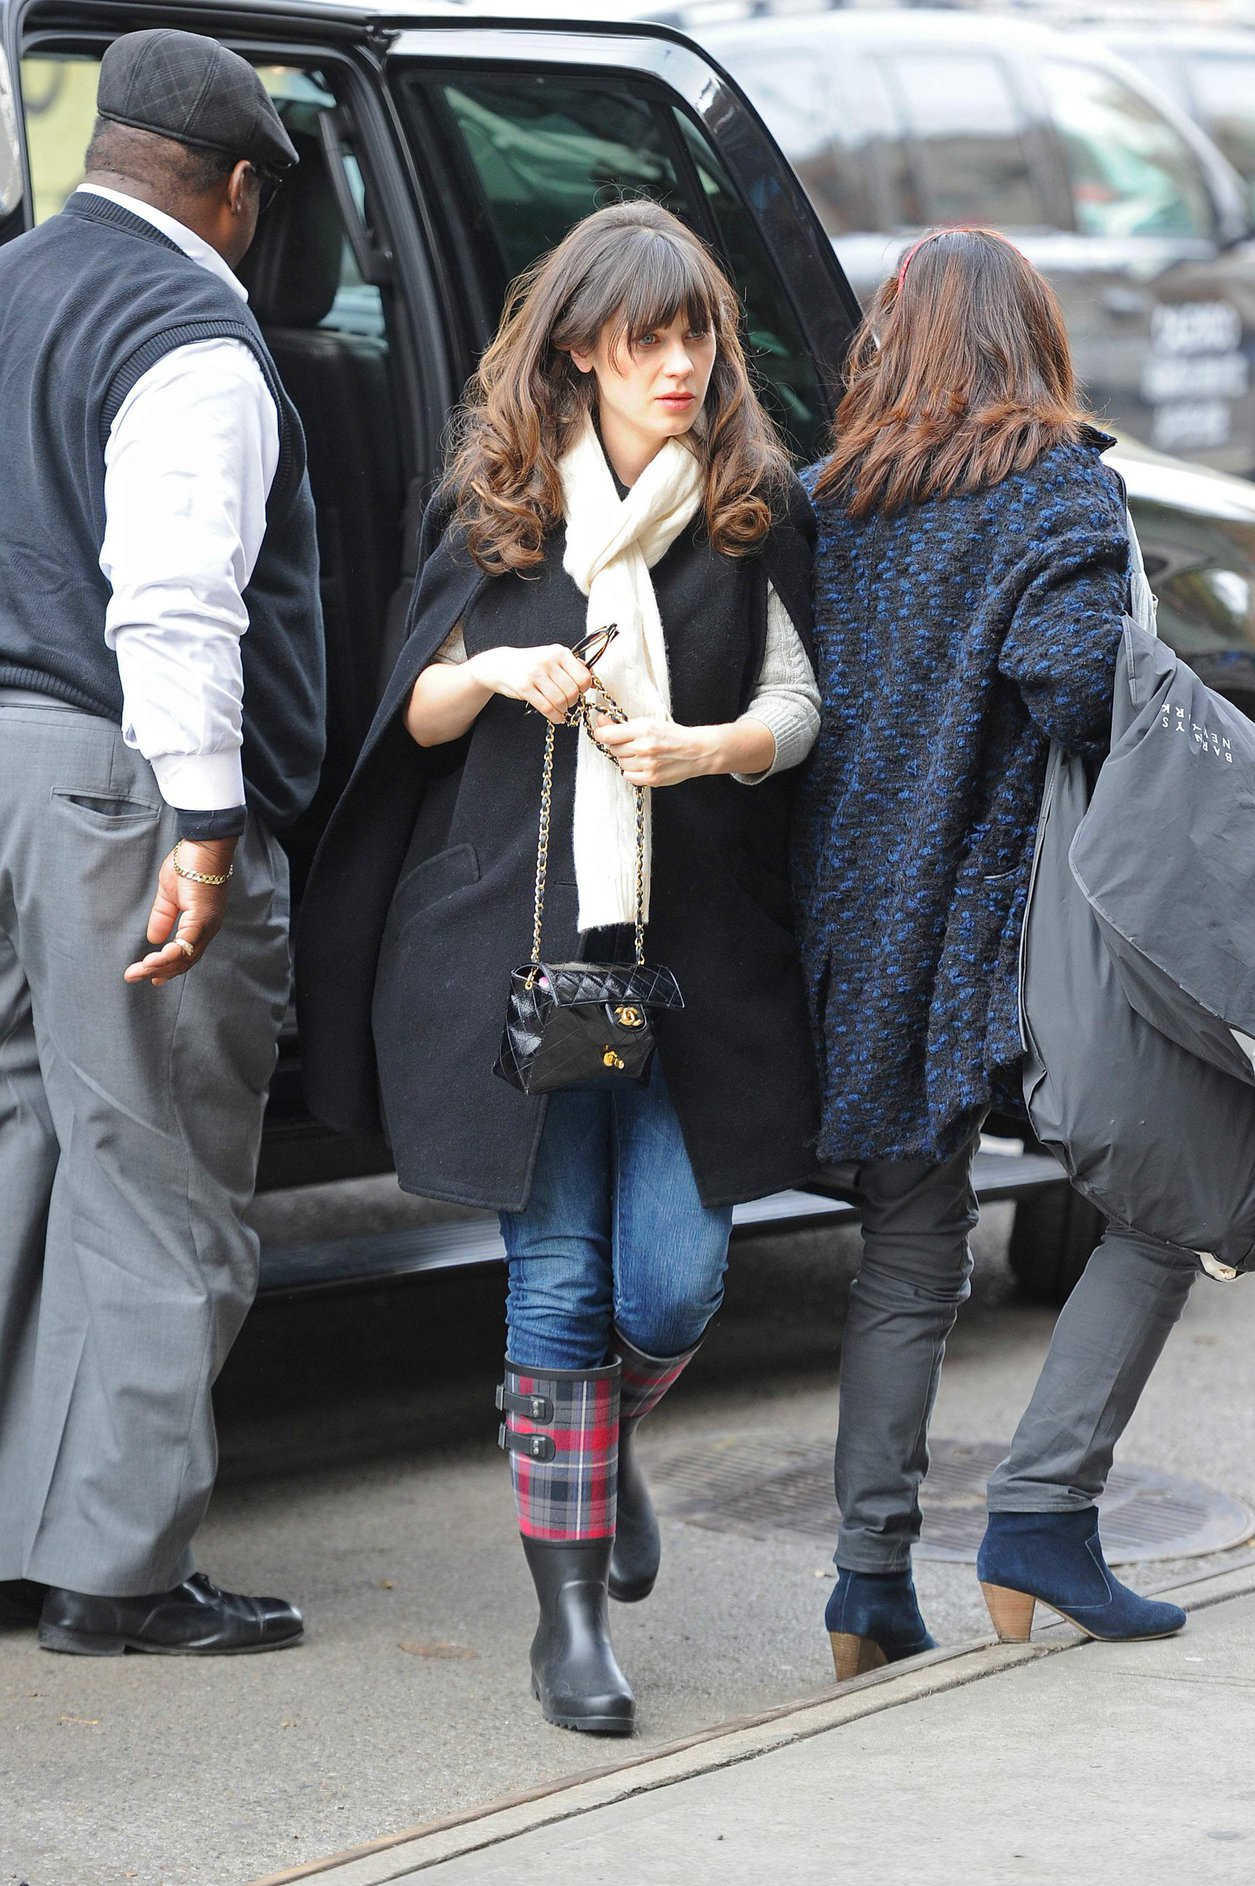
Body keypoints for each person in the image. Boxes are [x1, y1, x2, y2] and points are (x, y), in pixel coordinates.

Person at [297, 200, 819, 1732]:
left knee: (673, 1277)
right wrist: (496, 672)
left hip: (689, 964)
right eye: (647, 339)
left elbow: (802, 701)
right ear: (582, 349)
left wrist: (705, 745)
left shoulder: (749, 506)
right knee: (558, 1274)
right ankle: (571, 1624)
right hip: (516, 962)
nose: (680, 364)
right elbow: (409, 712)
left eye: (697, 336)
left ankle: (598, 1437)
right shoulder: (497, 506)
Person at [797, 227, 1195, 1681]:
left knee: (908, 1250)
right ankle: (1040, 1513)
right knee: (1176, 1198)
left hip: (857, 929)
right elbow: (1079, 682)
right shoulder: (1057, 490)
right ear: (1033, 340)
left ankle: (866, 1578)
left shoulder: (827, 496)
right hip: (1007, 932)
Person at [0, 29, 325, 1654]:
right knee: (159, 1170)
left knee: (14, 1153)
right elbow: (178, 602)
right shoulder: (189, 327)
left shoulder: (10, 283)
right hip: (118, 782)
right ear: (238, 188)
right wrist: (205, 825)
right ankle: (117, 1578)